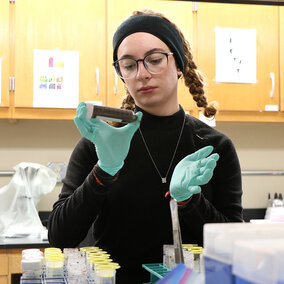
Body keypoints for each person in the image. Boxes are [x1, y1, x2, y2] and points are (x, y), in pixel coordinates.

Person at [48, 9, 243, 283]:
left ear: (178, 65)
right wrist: (104, 171)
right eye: (129, 65)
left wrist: (189, 201)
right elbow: (60, 236)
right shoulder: (100, 143)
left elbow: (233, 244)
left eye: (154, 60)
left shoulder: (213, 146)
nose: (142, 74)